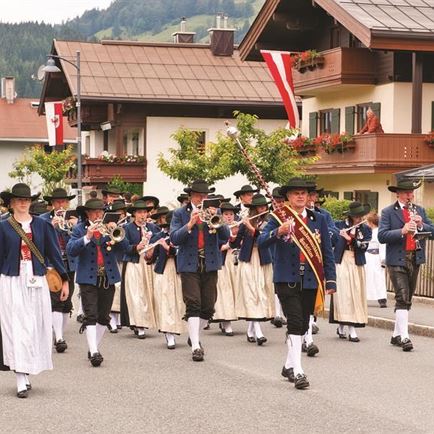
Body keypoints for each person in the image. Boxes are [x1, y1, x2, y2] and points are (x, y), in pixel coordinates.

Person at [257, 178, 336, 390]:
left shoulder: (318, 219)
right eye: (295, 193)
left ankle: (288, 365)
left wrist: (330, 279)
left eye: (303, 193)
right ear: (288, 198)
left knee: (303, 323)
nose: (300, 196)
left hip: (310, 278)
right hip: (286, 278)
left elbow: (326, 251)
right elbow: (261, 242)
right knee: (294, 320)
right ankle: (299, 371)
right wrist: (278, 232)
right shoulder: (277, 218)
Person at [0, 183, 69, 398]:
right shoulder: (2, 227)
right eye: (19, 199)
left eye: (27, 199)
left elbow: (55, 253)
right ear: (11, 203)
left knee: (35, 326)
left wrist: (64, 280)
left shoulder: (42, 226)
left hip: (37, 279)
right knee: (16, 326)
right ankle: (20, 377)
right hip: (11, 279)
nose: (23, 203)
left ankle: (26, 370)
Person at [170, 180, 230, 362]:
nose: (201, 199)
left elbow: (226, 236)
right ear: (191, 196)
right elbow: (174, 238)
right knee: (193, 303)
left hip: (210, 263)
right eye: (198, 196)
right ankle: (196, 346)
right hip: (189, 264)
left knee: (209, 307)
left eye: (204, 196)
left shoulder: (215, 212)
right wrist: (189, 224)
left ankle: (194, 335)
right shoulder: (180, 214)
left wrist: (218, 222)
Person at [66, 198, 128, 367]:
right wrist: (87, 237)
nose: (98, 215)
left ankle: (94, 346)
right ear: (87, 213)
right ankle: (94, 351)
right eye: (94, 212)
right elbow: (71, 250)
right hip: (88, 278)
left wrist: (116, 232)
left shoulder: (110, 227)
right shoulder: (80, 229)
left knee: (103, 316)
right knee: (91, 315)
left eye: (100, 211)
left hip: (108, 277)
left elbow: (126, 250)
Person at [378, 179, 434, 352]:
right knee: (402, 296)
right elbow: (382, 236)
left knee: (407, 297)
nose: (410, 195)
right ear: (398, 194)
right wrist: (402, 231)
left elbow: (432, 232)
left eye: (412, 192)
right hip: (397, 259)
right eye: (406, 192)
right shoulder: (388, 212)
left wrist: (420, 224)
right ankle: (405, 337)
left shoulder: (420, 210)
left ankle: (396, 335)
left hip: (414, 258)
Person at [231, 193, 274, 345]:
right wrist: (232, 235)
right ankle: (259, 333)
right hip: (248, 260)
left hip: (263, 260)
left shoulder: (269, 221)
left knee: (260, 292)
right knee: (251, 293)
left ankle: (251, 330)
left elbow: (264, 238)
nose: (263, 208)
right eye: (260, 206)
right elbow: (235, 244)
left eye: (264, 206)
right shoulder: (246, 221)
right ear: (254, 208)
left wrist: (250, 227)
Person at [40, 188, 78, 353]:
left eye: (63, 201)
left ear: (68, 203)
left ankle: (58, 332)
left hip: (69, 263)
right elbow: (40, 242)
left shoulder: (74, 219)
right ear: (52, 204)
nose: (61, 204)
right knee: (55, 298)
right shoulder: (43, 220)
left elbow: (77, 242)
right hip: (52, 264)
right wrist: (51, 226)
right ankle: (60, 337)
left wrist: (76, 227)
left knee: (67, 301)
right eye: (57, 202)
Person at [330, 202, 372, 342]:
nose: (359, 218)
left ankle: (349, 328)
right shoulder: (338, 226)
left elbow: (363, 246)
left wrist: (350, 239)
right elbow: (332, 243)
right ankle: (344, 326)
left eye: (361, 216)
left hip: (356, 263)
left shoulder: (365, 229)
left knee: (355, 294)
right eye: (356, 216)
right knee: (344, 295)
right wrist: (341, 237)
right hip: (342, 262)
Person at [120, 200, 160, 339]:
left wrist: (153, 249)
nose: (143, 215)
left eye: (144, 212)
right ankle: (138, 324)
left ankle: (148, 320)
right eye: (139, 212)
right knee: (136, 294)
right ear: (134, 214)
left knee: (149, 293)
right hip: (134, 263)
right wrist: (137, 247)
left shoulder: (153, 227)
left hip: (148, 263)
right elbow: (124, 247)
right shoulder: (127, 228)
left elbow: (159, 240)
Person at [151, 211, 186, 349]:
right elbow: (151, 258)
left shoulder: (182, 237)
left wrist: (168, 248)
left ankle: (184, 330)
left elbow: (181, 252)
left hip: (180, 270)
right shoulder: (159, 236)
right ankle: (168, 333)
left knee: (180, 301)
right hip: (164, 271)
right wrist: (148, 247)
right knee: (166, 301)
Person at [211, 202, 238, 336]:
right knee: (225, 291)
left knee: (234, 291)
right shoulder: (217, 227)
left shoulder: (237, 226)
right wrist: (231, 242)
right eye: (226, 214)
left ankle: (227, 319)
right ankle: (227, 323)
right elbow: (218, 247)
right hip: (223, 262)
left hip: (235, 262)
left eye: (231, 214)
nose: (229, 217)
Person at [365, 212, 387, 308]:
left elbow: (382, 245)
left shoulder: (379, 232)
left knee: (379, 278)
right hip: (367, 257)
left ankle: (382, 298)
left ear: (371, 222)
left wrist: (383, 259)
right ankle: (365, 297)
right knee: (367, 278)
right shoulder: (368, 232)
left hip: (376, 257)